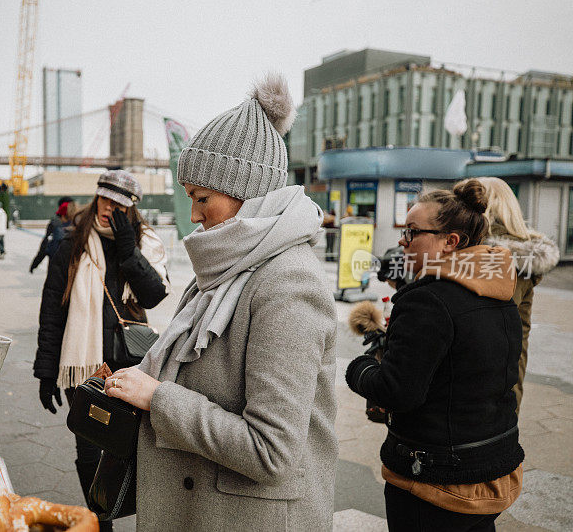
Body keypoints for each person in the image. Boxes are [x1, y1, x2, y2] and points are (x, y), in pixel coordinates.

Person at [102, 75, 338, 531]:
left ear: (246, 193)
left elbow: (271, 450)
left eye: (201, 198)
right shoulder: (229, 266)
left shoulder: (287, 285)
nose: (192, 215)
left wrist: (159, 398)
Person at [346, 179, 524, 532]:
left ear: (450, 242)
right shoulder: (500, 289)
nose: (401, 241)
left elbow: (398, 391)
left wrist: (360, 368)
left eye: (411, 232)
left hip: (436, 481)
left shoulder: (427, 300)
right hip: (494, 470)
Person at [34, 171, 169, 532]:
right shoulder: (71, 241)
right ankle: (100, 521)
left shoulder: (144, 242)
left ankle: (141, 516)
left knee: (133, 449)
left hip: (131, 366)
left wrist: (128, 253)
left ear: (131, 209)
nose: (110, 208)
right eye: (106, 200)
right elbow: (52, 309)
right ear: (97, 198)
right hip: (83, 365)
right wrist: (46, 370)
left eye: (120, 204)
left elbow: (155, 295)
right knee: (89, 450)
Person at [476, 177, 560, 413]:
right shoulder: (520, 255)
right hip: (507, 375)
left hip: (489, 386)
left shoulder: (495, 256)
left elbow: (488, 326)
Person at [30, 196, 76, 274]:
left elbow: (45, 247)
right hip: (68, 270)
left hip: (56, 270)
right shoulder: (77, 224)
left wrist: (34, 264)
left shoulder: (55, 223)